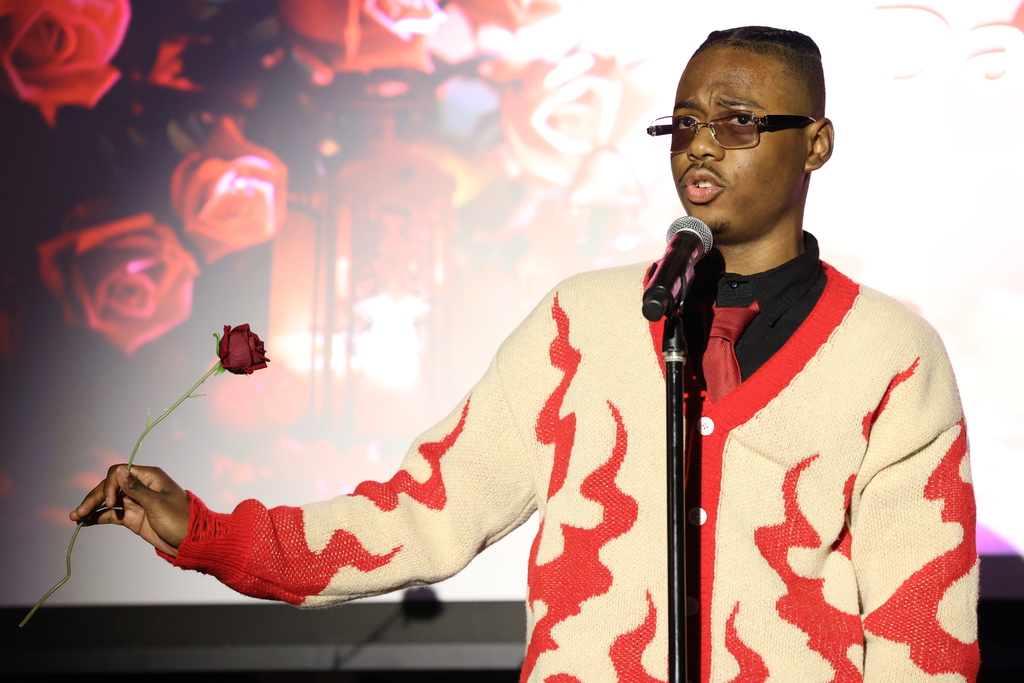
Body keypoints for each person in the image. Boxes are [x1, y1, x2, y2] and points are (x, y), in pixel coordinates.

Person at [72, 26, 979, 683]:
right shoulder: (582, 321)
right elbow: (423, 511)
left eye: (739, 121)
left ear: (815, 142)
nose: (701, 143)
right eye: (684, 123)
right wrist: (212, 533)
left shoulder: (892, 354)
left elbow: (921, 637)